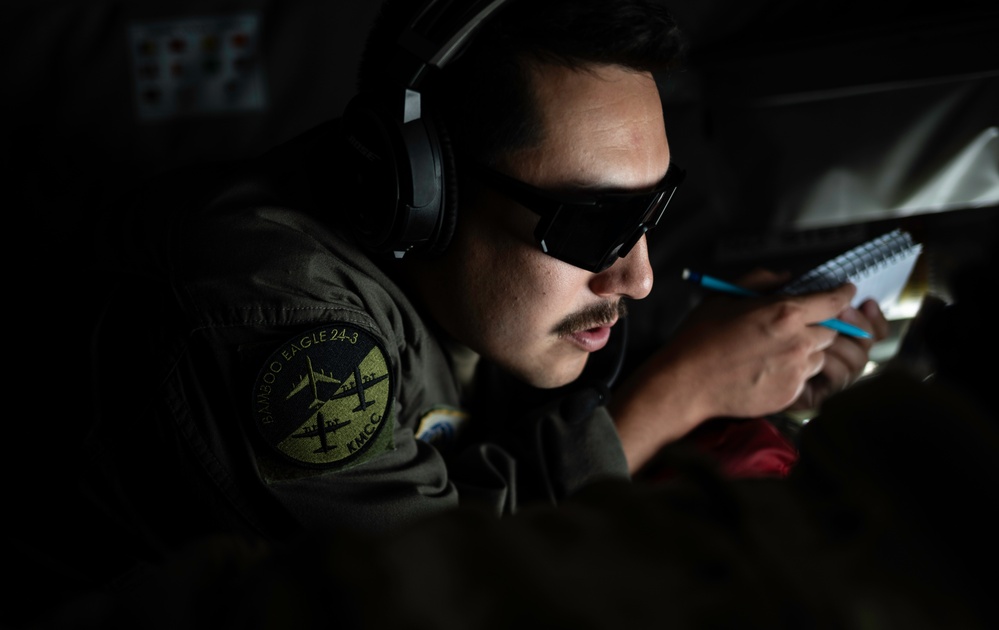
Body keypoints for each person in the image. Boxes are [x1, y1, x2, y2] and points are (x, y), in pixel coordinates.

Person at [70, 0, 886, 590]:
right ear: (422, 192)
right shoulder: (278, 321)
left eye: (650, 213)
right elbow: (454, 598)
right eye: (590, 223)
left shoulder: (483, 283)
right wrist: (681, 391)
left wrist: (722, 357)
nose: (636, 276)